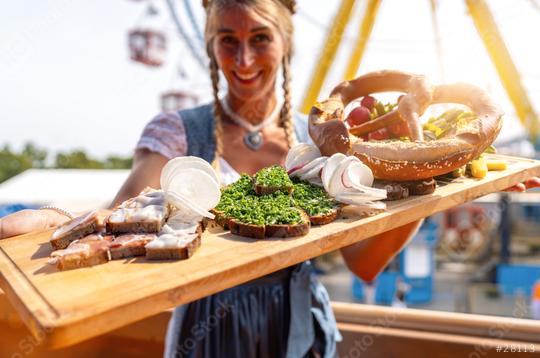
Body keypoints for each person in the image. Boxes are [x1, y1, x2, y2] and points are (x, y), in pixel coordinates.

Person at [1, 0, 540, 356]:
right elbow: (130, 214)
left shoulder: (324, 144)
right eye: (227, 40)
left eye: (259, 38)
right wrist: (54, 219)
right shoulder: (178, 132)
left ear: (284, 43)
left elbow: (365, 264)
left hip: (300, 331)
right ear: (211, 47)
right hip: (207, 335)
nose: (243, 58)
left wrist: (440, 187)